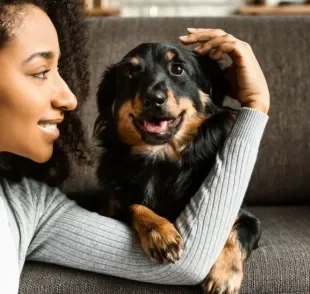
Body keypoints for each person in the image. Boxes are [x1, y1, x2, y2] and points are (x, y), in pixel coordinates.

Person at [0, 1, 270, 293]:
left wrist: (255, 108)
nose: (70, 99)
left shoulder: (30, 207)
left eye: (59, 71)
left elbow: (186, 262)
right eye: (41, 71)